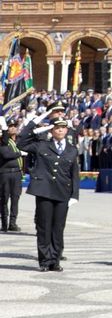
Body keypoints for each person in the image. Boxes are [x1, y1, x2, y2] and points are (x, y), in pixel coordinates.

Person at [18, 110, 81, 271]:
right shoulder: (42, 145)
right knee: (44, 227)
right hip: (44, 191)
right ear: (51, 131)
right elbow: (21, 143)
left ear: (67, 130)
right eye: (56, 128)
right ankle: (45, 261)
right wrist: (33, 124)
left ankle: (55, 260)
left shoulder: (72, 149)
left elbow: (74, 173)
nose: (60, 130)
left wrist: (75, 195)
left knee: (58, 228)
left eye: (62, 128)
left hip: (63, 192)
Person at [0, 120, 23, 232]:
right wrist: (20, 153)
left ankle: (12, 223)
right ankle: (4, 223)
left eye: (15, 126)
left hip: (17, 173)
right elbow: (6, 154)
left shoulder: (19, 141)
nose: (13, 128)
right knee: (4, 198)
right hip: (5, 173)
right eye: (10, 126)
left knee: (15, 198)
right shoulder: (3, 141)